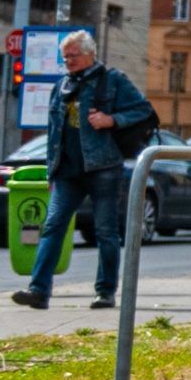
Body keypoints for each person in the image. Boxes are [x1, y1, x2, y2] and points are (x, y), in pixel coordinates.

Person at [13, 30, 158, 311]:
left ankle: (105, 292)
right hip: (67, 171)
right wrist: (50, 171)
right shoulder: (62, 85)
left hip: (103, 166)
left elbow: (144, 111)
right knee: (53, 226)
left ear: (90, 54)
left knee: (105, 231)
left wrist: (111, 120)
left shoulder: (113, 80)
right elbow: (54, 134)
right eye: (65, 56)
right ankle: (38, 290)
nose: (68, 61)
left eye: (73, 55)